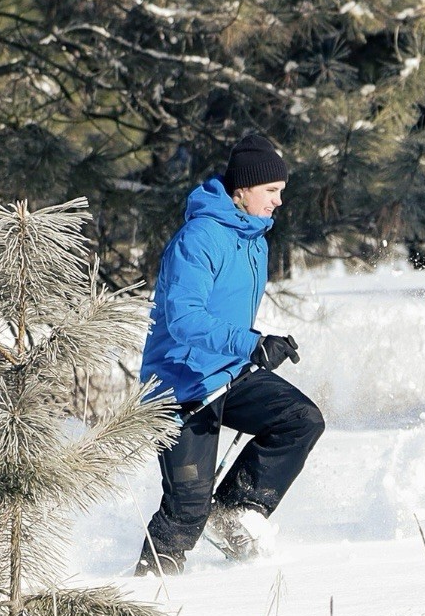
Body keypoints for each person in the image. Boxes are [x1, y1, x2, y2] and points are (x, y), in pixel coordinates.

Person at [134, 133, 325, 575]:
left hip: (228, 372)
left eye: (282, 192)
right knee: (186, 512)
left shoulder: (255, 238)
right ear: (242, 189)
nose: (279, 201)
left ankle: (236, 512)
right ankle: (148, 595)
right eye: (271, 191)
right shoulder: (199, 238)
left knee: (300, 420)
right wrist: (251, 343)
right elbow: (183, 318)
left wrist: (254, 345)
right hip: (180, 385)